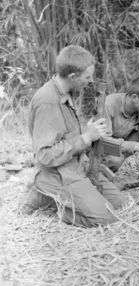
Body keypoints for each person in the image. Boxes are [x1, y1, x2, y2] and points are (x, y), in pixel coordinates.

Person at [22, 45, 128, 227]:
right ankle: (49, 199)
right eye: (87, 77)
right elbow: (45, 155)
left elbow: (64, 136)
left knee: (121, 204)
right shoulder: (48, 102)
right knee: (105, 218)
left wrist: (87, 132)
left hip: (76, 165)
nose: (90, 80)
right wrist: (86, 138)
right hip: (57, 174)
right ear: (72, 76)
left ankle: (64, 199)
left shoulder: (67, 93)